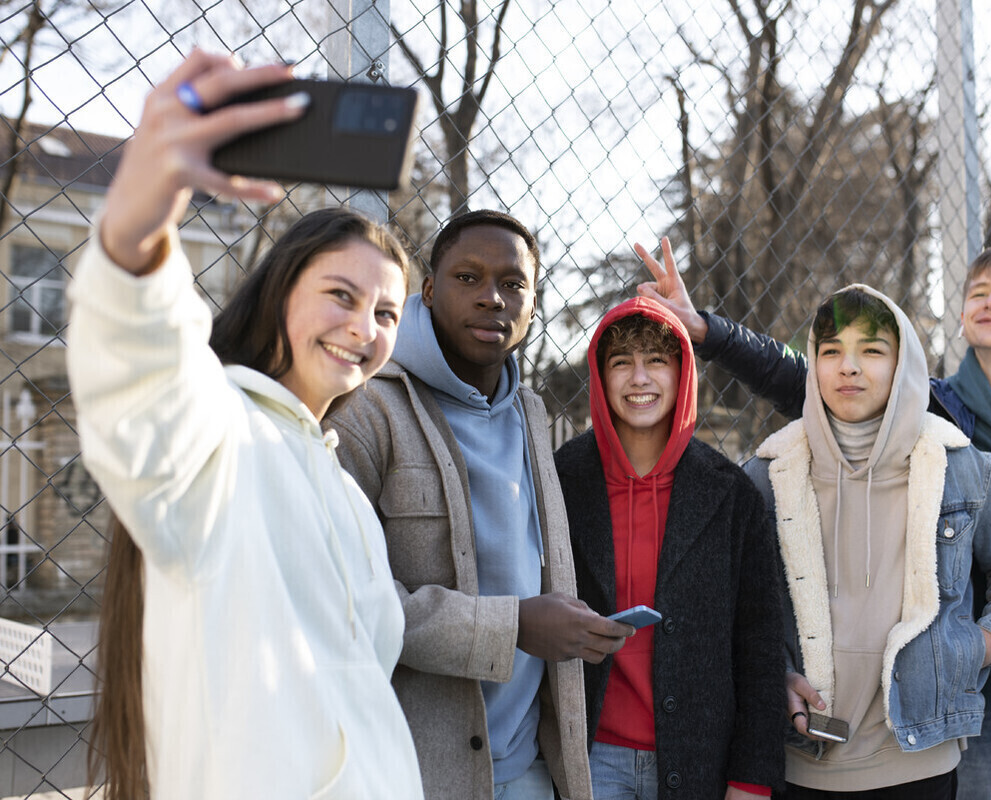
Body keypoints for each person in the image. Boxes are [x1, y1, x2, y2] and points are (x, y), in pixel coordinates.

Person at [637, 238, 991, 799]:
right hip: (985, 701)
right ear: (960, 316)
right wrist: (707, 330)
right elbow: (799, 374)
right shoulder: (932, 412)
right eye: (980, 293)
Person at [70, 51, 422, 799]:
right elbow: (145, 382)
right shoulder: (221, 434)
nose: (364, 328)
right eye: (341, 295)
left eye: (387, 312)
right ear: (280, 292)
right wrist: (134, 236)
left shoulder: (344, 491)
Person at [326, 208, 632, 800]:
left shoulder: (531, 413)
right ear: (429, 290)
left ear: (533, 306)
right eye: (468, 278)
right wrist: (514, 626)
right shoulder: (366, 410)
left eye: (513, 284)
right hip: (414, 771)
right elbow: (346, 602)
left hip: (526, 761)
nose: (492, 297)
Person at [742, 284, 991, 797]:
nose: (848, 367)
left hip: (918, 761)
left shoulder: (956, 465)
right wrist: (776, 673)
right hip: (800, 760)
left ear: (902, 364)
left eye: (871, 350)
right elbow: (737, 606)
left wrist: (989, 641)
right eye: (831, 351)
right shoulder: (768, 474)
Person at [553, 297, 786, 800]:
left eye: (656, 360)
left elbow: (760, 646)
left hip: (701, 758)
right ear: (600, 375)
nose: (639, 378)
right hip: (591, 757)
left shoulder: (730, 493)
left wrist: (752, 778)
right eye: (622, 362)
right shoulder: (560, 480)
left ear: (683, 375)